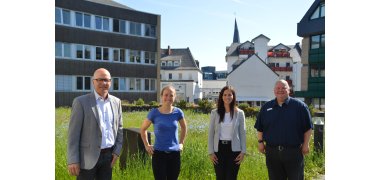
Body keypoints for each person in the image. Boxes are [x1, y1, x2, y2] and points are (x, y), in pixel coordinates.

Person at [67, 68, 123, 180]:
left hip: (108, 157)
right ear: (93, 81)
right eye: (100, 80)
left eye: (107, 80)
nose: (103, 83)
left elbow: (120, 129)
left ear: (111, 82)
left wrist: (117, 152)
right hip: (86, 158)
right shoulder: (81, 102)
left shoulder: (116, 102)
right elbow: (73, 134)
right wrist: (73, 159)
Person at [254, 79, 313, 180]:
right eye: (278, 88)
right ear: (274, 91)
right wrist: (260, 142)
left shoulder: (300, 107)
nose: (280, 90)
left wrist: (306, 144)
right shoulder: (266, 107)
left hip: (294, 152)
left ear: (289, 90)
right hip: (272, 153)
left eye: (283, 88)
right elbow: (260, 128)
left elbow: (308, 128)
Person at [140, 85, 188, 180]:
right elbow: (143, 129)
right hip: (158, 154)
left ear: (174, 97)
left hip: (174, 154)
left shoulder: (178, 112)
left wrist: (181, 143)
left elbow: (184, 127)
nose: (168, 98)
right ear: (161, 96)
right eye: (166, 95)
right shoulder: (154, 113)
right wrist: (147, 145)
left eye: (171, 95)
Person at [208, 85, 246, 180]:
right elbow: (211, 133)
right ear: (221, 96)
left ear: (233, 97)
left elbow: (242, 133)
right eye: (225, 95)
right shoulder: (215, 113)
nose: (227, 97)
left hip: (234, 150)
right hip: (219, 150)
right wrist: (211, 152)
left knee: (231, 177)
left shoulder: (240, 113)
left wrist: (243, 151)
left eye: (230, 95)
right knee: (220, 177)